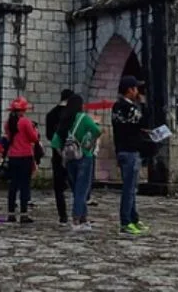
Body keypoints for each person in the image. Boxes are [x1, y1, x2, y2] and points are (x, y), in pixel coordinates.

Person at [52, 93, 101, 232]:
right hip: (84, 156)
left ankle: (84, 219)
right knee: (82, 190)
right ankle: (76, 219)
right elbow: (97, 130)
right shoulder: (83, 118)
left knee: (76, 190)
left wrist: (63, 156)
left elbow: (55, 141)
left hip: (70, 160)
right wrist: (88, 143)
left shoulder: (65, 119)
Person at [111, 75, 149, 236]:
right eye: (136, 88)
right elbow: (144, 121)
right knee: (129, 188)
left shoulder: (116, 107)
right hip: (131, 150)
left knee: (131, 187)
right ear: (130, 90)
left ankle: (134, 218)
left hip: (121, 149)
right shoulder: (131, 108)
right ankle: (126, 221)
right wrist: (143, 104)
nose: (138, 92)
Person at [5, 96, 40, 223]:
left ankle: (10, 213)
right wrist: (35, 130)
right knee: (25, 185)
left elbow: (9, 138)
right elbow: (34, 138)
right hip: (25, 155)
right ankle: (24, 213)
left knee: (13, 185)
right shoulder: (25, 122)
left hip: (13, 155)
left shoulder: (8, 123)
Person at [46, 88, 74, 226]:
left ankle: (63, 216)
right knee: (76, 185)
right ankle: (79, 213)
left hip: (57, 153)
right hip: (73, 153)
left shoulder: (51, 114)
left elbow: (49, 135)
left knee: (58, 188)